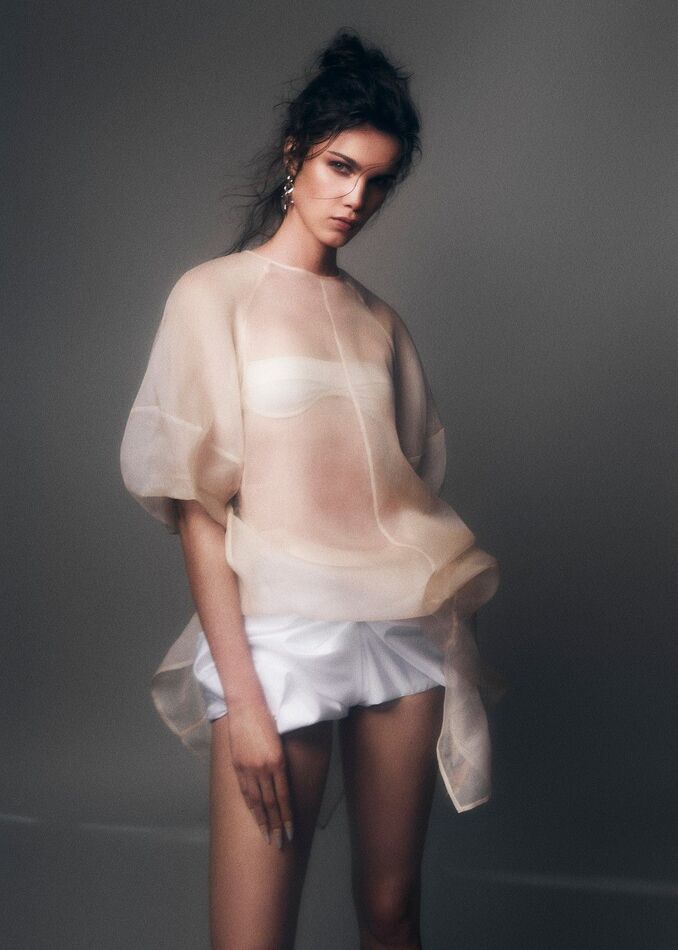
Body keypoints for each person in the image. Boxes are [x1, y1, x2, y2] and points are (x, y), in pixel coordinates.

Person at [120, 29, 507, 950]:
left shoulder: (381, 321)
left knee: (393, 915)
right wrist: (245, 703)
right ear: (296, 153)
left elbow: (407, 478)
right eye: (341, 167)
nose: (355, 199)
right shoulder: (212, 297)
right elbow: (198, 513)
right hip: (280, 638)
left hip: (401, 625)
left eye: (377, 181)